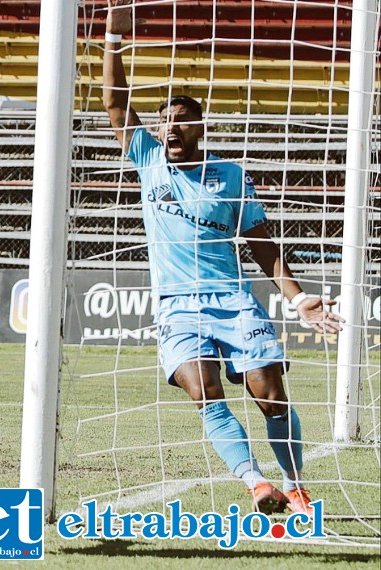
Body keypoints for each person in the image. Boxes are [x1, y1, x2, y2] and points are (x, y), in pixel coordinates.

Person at [103, 0, 344, 514]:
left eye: (181, 121)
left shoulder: (230, 177)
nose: (169, 128)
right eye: (164, 120)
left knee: (268, 392)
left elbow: (261, 244)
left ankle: (295, 482)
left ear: (200, 128)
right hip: (176, 303)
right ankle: (257, 483)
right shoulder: (149, 163)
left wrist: (298, 299)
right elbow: (118, 106)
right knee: (203, 389)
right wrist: (113, 42)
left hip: (233, 300)